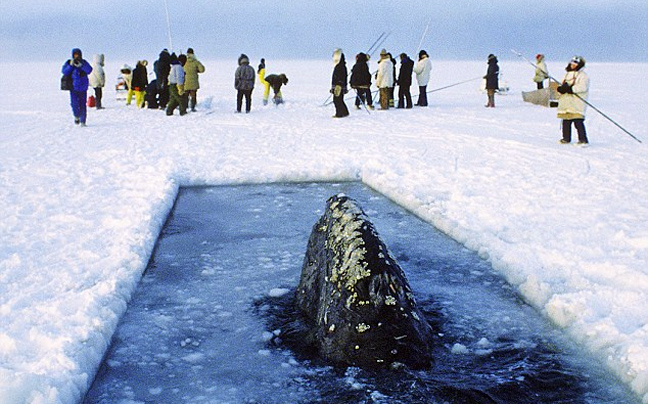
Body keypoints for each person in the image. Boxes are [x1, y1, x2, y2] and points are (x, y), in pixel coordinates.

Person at [557, 56, 590, 145]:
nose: (573, 65)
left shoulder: (583, 76)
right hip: (566, 102)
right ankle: (566, 138)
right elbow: (563, 85)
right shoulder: (567, 74)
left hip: (577, 103)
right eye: (572, 63)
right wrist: (561, 89)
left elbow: (583, 87)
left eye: (575, 63)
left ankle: (583, 139)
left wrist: (571, 89)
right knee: (566, 121)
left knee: (578, 121)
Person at [61, 48, 92, 126]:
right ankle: (76, 116)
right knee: (74, 104)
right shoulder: (69, 62)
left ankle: (83, 121)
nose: (76, 56)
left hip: (83, 87)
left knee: (82, 105)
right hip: (73, 87)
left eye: (77, 54)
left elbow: (89, 70)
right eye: (75, 55)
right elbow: (64, 71)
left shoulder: (84, 62)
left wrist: (81, 66)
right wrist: (71, 66)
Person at [184, 48, 205, 112]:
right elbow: (202, 70)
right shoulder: (196, 62)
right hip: (194, 83)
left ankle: (185, 106)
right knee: (193, 95)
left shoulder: (184, 61)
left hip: (185, 82)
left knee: (185, 95)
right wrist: (197, 70)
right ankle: (192, 107)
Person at [331, 48, 349, 118]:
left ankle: (339, 114)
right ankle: (345, 112)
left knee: (337, 100)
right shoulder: (342, 66)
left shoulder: (340, 66)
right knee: (340, 100)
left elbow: (340, 77)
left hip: (339, 86)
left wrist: (339, 84)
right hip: (340, 85)